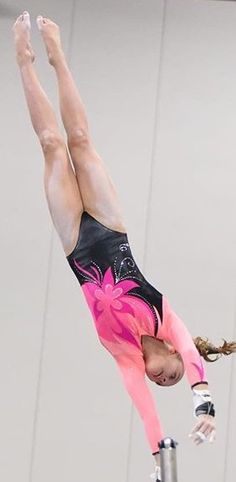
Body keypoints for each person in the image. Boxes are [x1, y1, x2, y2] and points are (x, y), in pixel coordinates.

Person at [13, 12, 236, 481]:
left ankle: (24, 60)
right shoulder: (166, 317)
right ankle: (56, 56)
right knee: (79, 140)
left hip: (75, 241)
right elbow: (196, 364)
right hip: (111, 227)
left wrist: (159, 459)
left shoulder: (124, 356)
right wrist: (204, 403)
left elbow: (144, 410)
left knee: (53, 144)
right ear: (176, 354)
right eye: (171, 375)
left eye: (162, 383)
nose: (162, 379)